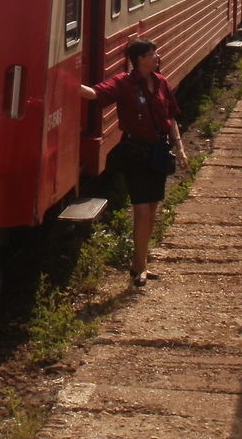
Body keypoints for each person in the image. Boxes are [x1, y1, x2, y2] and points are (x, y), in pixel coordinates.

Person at [81, 38, 188, 289]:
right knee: (141, 209)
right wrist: (65, 79)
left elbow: (170, 119)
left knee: (151, 210)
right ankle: (138, 267)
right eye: (153, 54)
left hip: (159, 152)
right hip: (136, 154)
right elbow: (96, 93)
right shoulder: (124, 83)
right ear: (140, 59)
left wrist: (180, 148)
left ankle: (142, 262)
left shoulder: (160, 83)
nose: (157, 57)